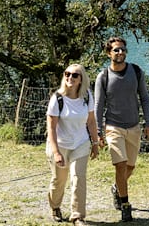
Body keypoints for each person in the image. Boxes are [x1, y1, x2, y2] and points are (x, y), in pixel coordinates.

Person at [92, 37, 149, 222]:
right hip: (113, 127)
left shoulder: (136, 71)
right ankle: (125, 205)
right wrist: (98, 133)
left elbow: (145, 98)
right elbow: (98, 105)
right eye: (116, 50)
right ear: (108, 53)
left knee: (130, 167)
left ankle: (116, 188)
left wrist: (148, 123)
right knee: (120, 165)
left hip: (134, 127)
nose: (121, 53)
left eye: (123, 49)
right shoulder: (103, 77)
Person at [46, 63, 102, 225]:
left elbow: (91, 121)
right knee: (59, 180)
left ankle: (77, 216)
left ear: (81, 79)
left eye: (75, 75)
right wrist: (56, 152)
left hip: (81, 144)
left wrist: (95, 143)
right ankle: (55, 207)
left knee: (78, 179)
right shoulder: (57, 98)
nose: (70, 77)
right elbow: (51, 126)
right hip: (60, 145)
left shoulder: (87, 96)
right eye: (67, 74)